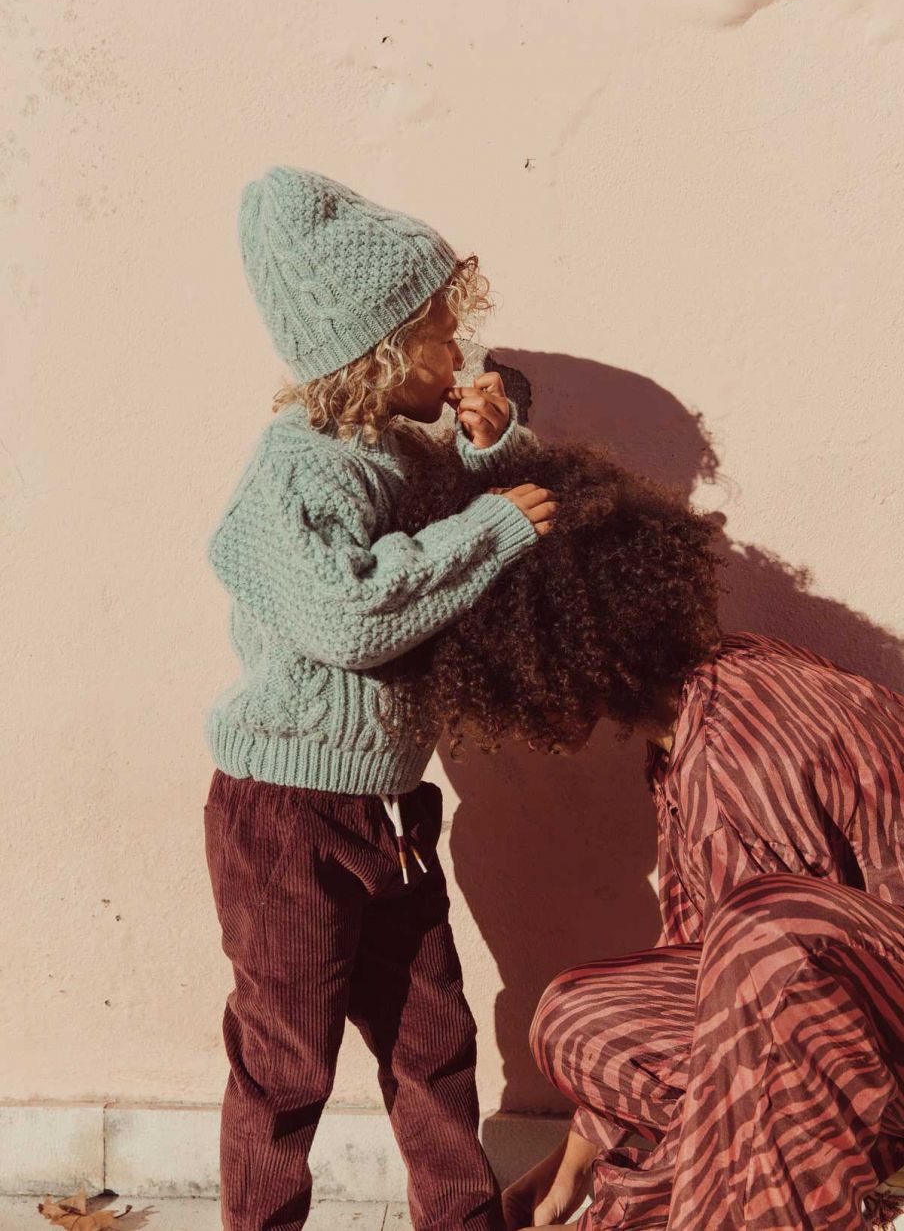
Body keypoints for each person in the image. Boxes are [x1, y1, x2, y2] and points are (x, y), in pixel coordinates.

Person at [378, 440, 904, 1231]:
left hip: (869, 1048)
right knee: (577, 1014)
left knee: (762, 932)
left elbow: (770, 985)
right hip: (807, 1035)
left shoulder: (755, 737)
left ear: (556, 650)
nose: (511, 722)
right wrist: (570, 1174)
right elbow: (702, 978)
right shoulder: (691, 722)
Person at [204, 165, 558, 1231]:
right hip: (287, 814)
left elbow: (465, 532)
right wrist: (493, 525)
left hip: (392, 808)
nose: (461, 354)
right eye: (442, 335)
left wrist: (488, 450)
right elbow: (350, 614)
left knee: (433, 1042)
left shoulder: (395, 451)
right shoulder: (295, 470)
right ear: (381, 350)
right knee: (286, 1061)